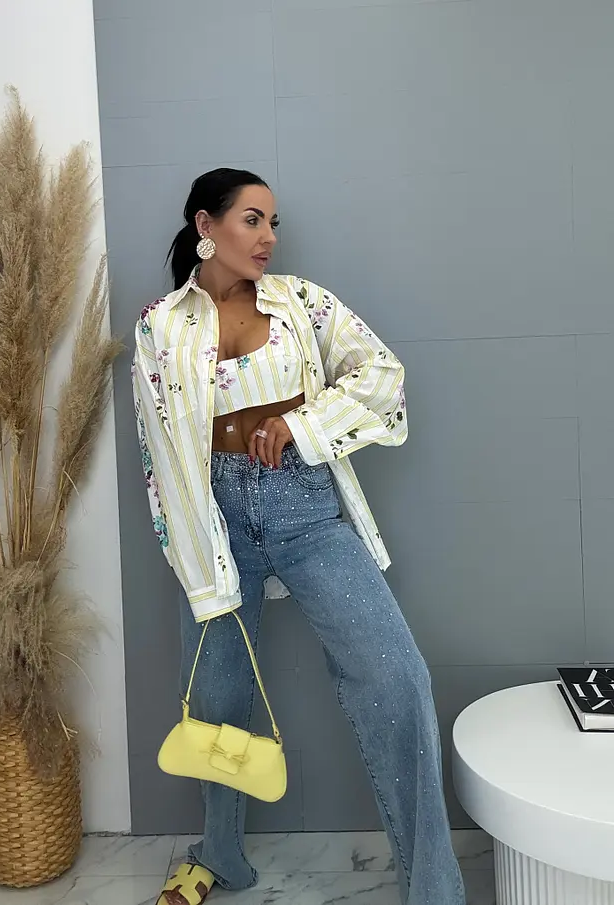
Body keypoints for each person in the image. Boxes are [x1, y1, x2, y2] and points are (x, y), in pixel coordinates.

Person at [132, 168, 466, 905]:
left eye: (272, 223)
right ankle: (220, 855)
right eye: (252, 219)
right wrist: (199, 563)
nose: (268, 238)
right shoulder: (161, 326)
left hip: (305, 509)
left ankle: (433, 889)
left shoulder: (299, 302)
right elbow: (162, 460)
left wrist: (302, 426)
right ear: (206, 225)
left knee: (396, 678)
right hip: (215, 516)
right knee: (216, 699)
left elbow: (382, 375)